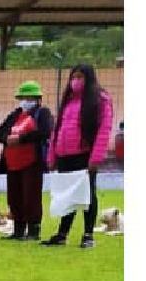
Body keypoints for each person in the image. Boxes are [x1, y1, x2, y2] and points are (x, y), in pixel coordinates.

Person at [41, 63, 115, 249]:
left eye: (80, 77)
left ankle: (88, 234)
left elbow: (104, 130)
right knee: (67, 196)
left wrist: (95, 158)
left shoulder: (100, 99)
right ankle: (62, 234)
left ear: (89, 78)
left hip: (85, 155)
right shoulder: (69, 100)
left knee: (88, 195)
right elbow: (56, 130)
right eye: (74, 77)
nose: (76, 81)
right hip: (65, 154)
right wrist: (52, 155)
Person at [0, 81, 54, 241]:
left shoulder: (43, 113)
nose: (25, 100)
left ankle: (33, 230)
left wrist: (21, 139)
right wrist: (6, 138)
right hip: (12, 163)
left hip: (32, 162)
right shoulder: (15, 114)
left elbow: (45, 132)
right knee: (14, 197)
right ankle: (18, 229)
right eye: (23, 97)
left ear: (37, 98)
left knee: (31, 196)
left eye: (29, 97)